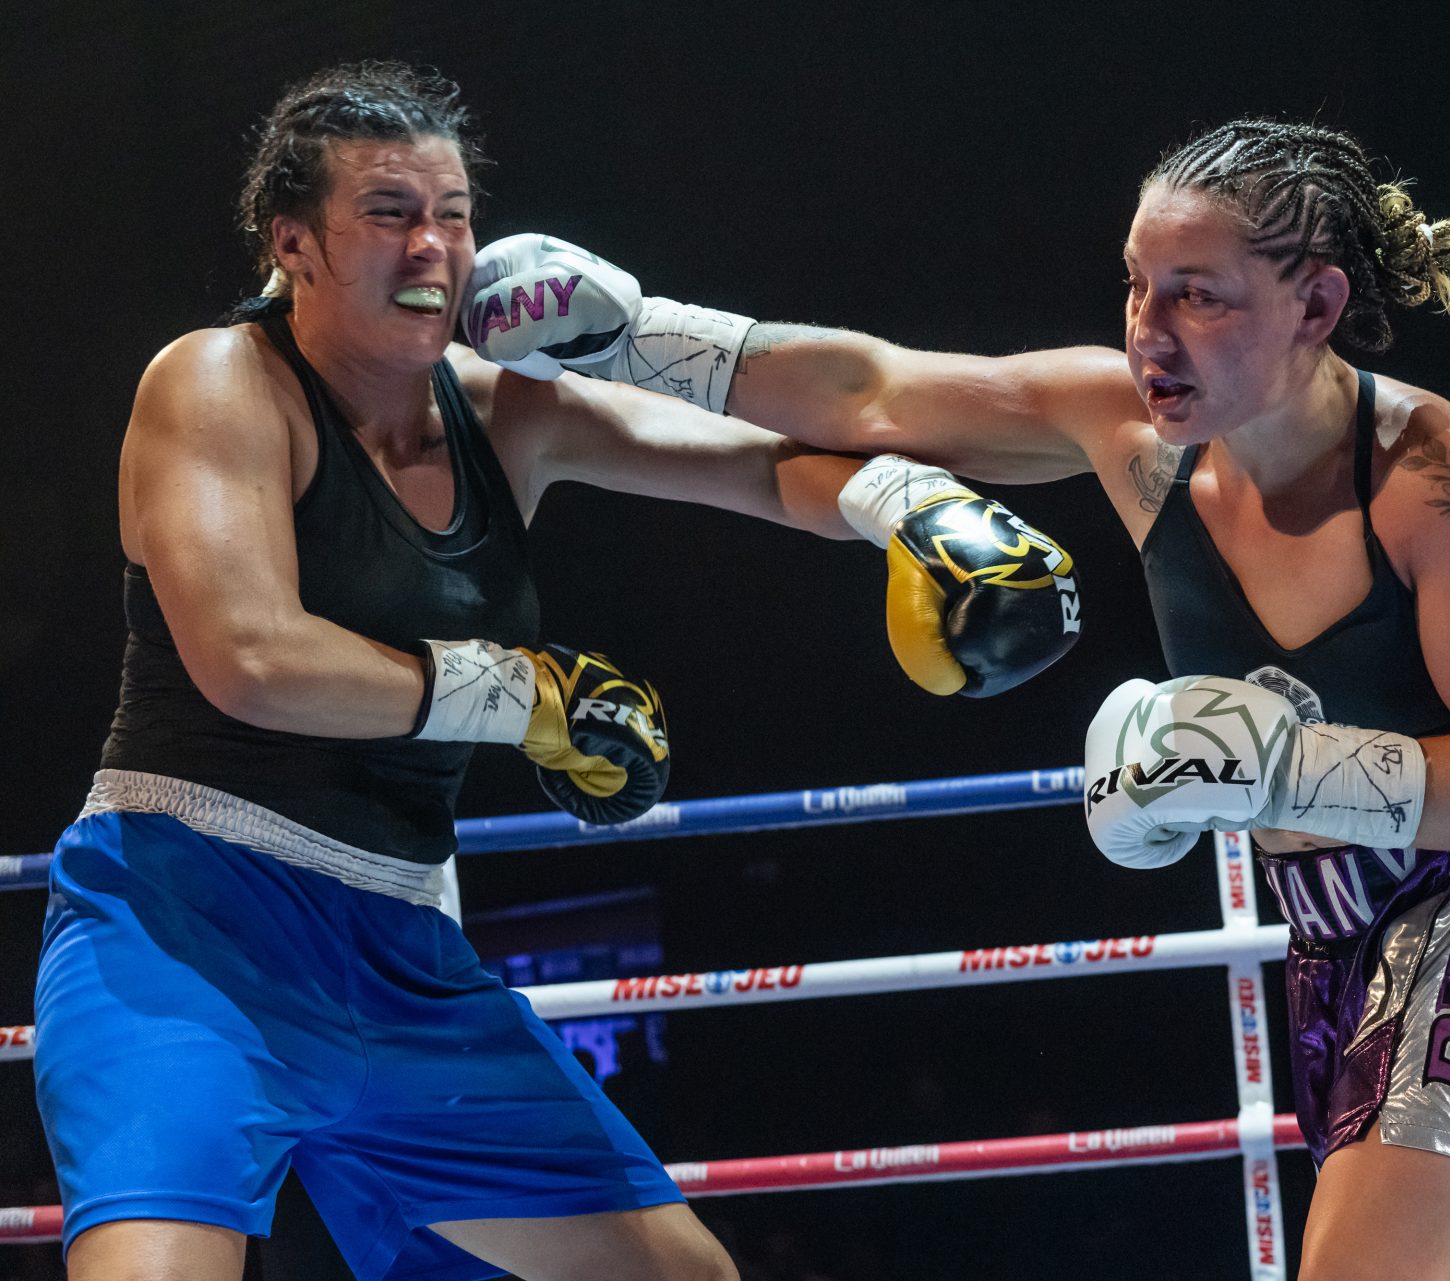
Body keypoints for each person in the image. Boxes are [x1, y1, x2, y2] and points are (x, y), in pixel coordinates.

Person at [490, 118, 1450, 1281]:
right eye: (1140, 287)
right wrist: (631, 334)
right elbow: (873, 392)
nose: (1152, 332)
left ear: (1315, 306)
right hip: (1333, 930)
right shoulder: (1132, 433)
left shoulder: (1436, 484)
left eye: (1199, 296)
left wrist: (1289, 770)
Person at [33, 61, 1080, 1281]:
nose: (432, 245)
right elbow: (251, 659)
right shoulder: (218, 382)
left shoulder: (502, 408)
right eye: (388, 212)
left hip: (405, 957)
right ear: (293, 242)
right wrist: (521, 697)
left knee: (685, 1275)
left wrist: (910, 501)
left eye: (454, 213)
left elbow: (751, 465)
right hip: (186, 922)